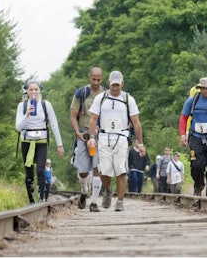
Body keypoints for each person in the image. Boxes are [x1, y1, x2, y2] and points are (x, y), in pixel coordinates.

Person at [87, 70, 146, 212]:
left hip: (121, 138)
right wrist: (91, 138)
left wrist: (140, 143)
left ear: (122, 84)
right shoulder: (100, 98)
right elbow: (93, 119)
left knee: (121, 170)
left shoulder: (128, 99)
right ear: (108, 83)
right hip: (104, 137)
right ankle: (108, 189)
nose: (115, 88)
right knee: (104, 170)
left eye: (118, 85)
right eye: (113, 85)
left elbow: (136, 122)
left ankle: (120, 201)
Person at [16, 80, 65, 204]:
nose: (33, 92)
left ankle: (42, 198)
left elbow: (54, 124)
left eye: (36, 89)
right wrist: (27, 115)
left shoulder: (46, 104)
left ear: (40, 90)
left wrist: (60, 144)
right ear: (27, 91)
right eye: (31, 89)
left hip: (41, 141)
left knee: (40, 170)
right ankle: (31, 200)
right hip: (27, 141)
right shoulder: (22, 106)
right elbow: (18, 127)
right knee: (29, 172)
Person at [70, 67, 105, 212]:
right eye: (93, 79)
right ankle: (84, 191)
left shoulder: (106, 94)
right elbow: (73, 115)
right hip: (84, 134)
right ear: (89, 78)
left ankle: (94, 202)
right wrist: (77, 132)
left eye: (98, 80)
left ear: (102, 79)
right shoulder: (81, 93)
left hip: (100, 135)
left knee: (98, 167)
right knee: (83, 169)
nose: (96, 82)